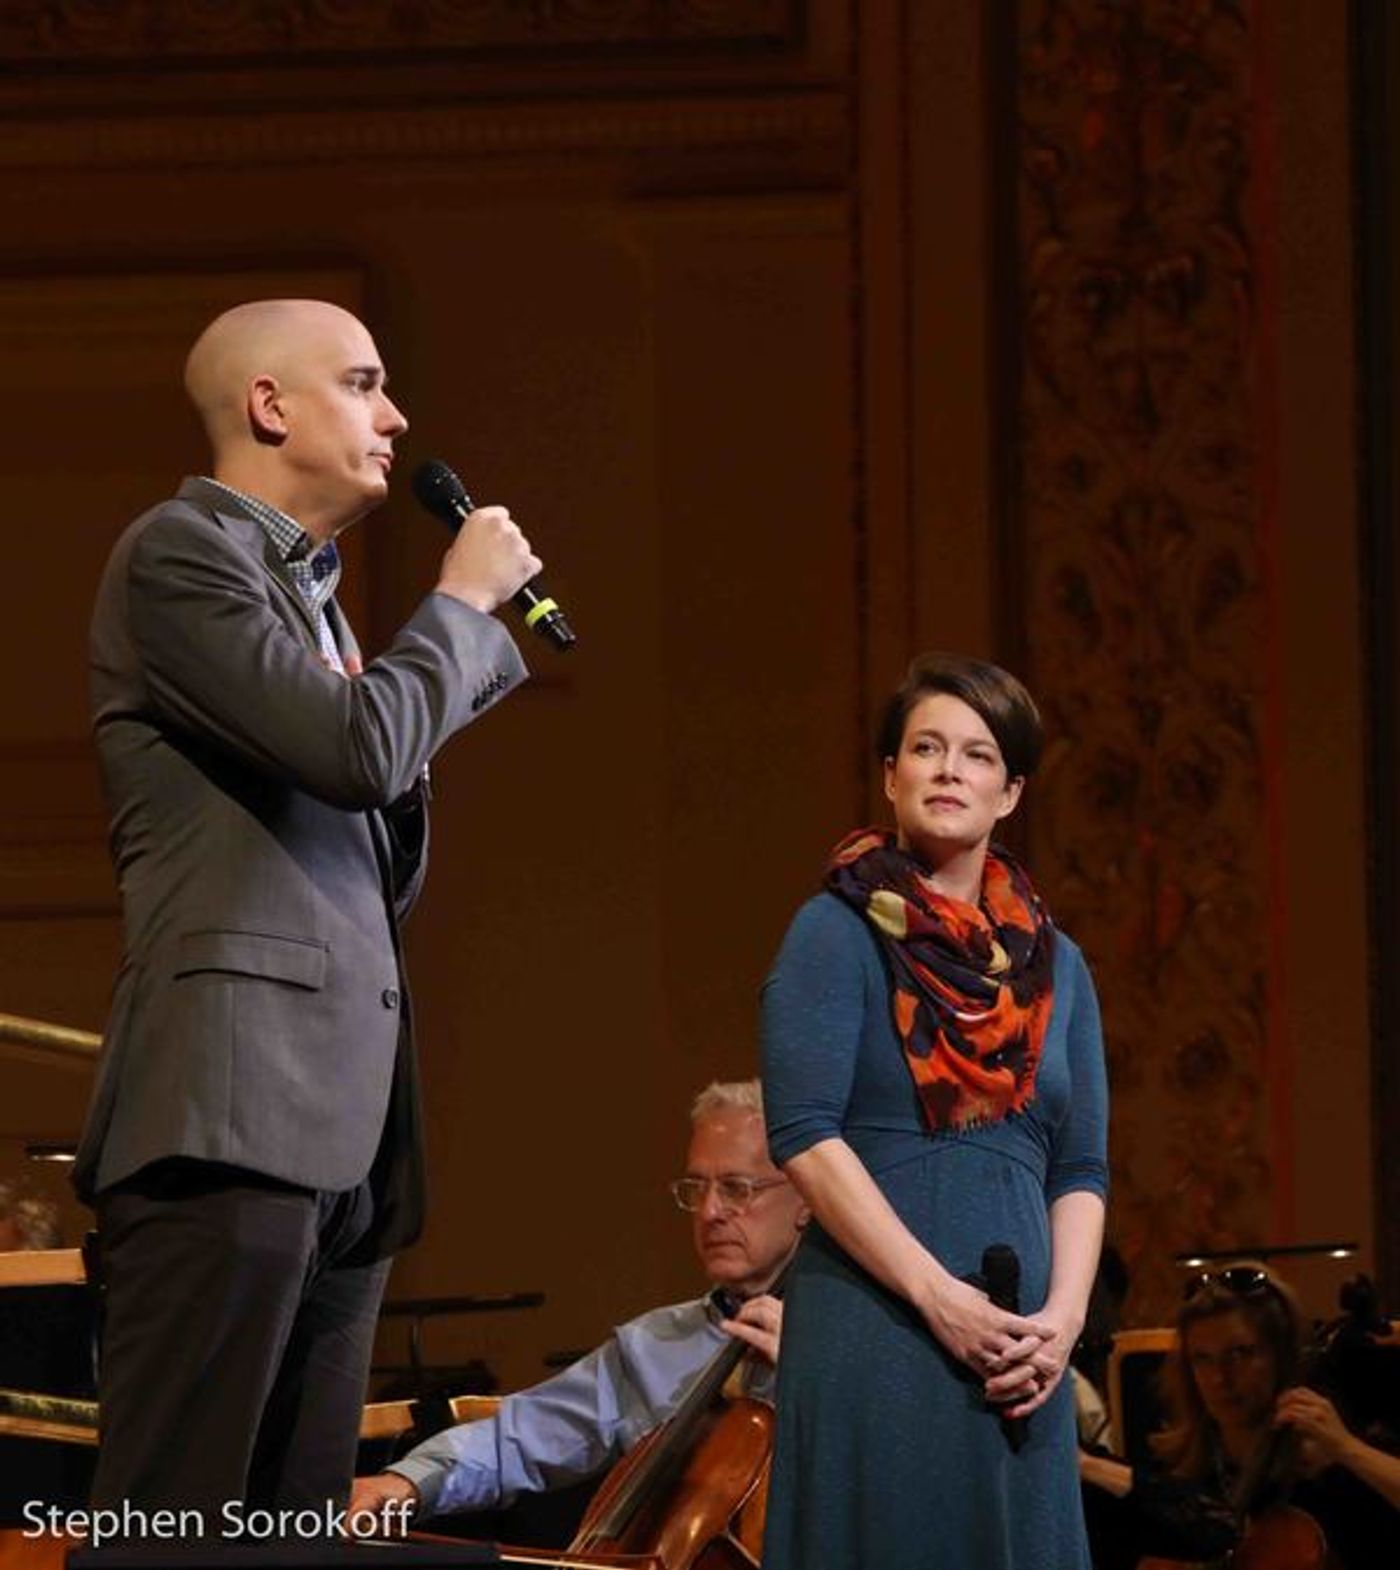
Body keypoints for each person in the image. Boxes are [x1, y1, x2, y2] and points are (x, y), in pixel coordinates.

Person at [73, 298, 540, 1523]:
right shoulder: (181, 555)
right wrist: (462, 606)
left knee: (292, 1523)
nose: (394, 417)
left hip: (340, 1129)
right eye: (363, 383)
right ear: (271, 405)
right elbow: (354, 750)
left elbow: (368, 834)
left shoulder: (314, 599)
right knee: (178, 1520)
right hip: (225, 1114)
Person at [759, 651, 1109, 1570]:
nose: (950, 769)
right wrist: (937, 1298)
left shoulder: (1057, 968)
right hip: (880, 1339)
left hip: (1021, 1366)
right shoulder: (834, 931)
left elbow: (1079, 1169)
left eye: (978, 754)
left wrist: (1063, 1326)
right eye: (926, 748)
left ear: (1011, 792)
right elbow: (802, 1135)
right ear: (891, 775)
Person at [348, 1078, 806, 1529]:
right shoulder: (654, 1346)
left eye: (736, 1188)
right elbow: (520, 1438)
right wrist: (403, 1484)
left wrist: (817, 1379)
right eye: (696, 1188)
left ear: (808, 1198)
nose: (709, 1212)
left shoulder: (859, 1345)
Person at [1080, 1262, 1400, 1568]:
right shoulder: (1175, 1477)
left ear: (1281, 1355)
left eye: (1240, 1353)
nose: (1220, 1378)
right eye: (1202, 1359)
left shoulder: (1329, 1469)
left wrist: (1348, 1449)